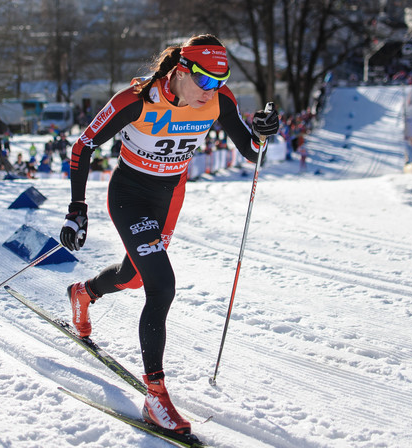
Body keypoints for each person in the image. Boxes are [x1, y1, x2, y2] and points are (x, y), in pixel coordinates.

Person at [59, 34, 279, 434]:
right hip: (130, 194)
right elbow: (83, 145)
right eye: (206, 81)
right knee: (162, 285)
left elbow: (249, 149)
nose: (212, 90)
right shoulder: (136, 100)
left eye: (221, 81)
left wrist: (263, 133)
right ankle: (155, 396)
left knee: (134, 276)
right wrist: (77, 209)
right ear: (182, 70)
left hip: (171, 196)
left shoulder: (218, 100)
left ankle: (84, 293)